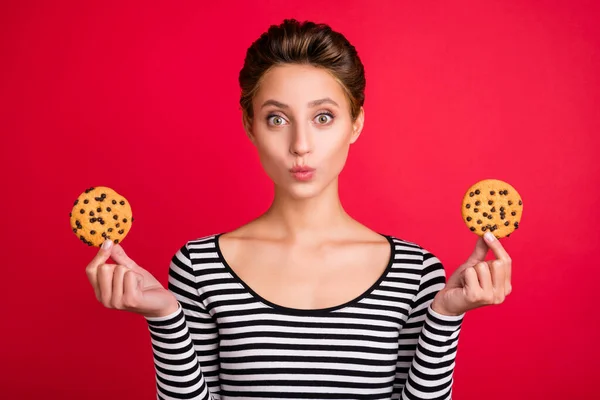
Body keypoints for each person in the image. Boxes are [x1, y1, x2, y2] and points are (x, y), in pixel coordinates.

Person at [85, 19, 512, 400]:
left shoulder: (416, 272)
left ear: (356, 123)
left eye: (323, 117)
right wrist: (165, 319)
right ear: (249, 125)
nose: (301, 145)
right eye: (277, 119)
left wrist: (444, 318)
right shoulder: (198, 267)